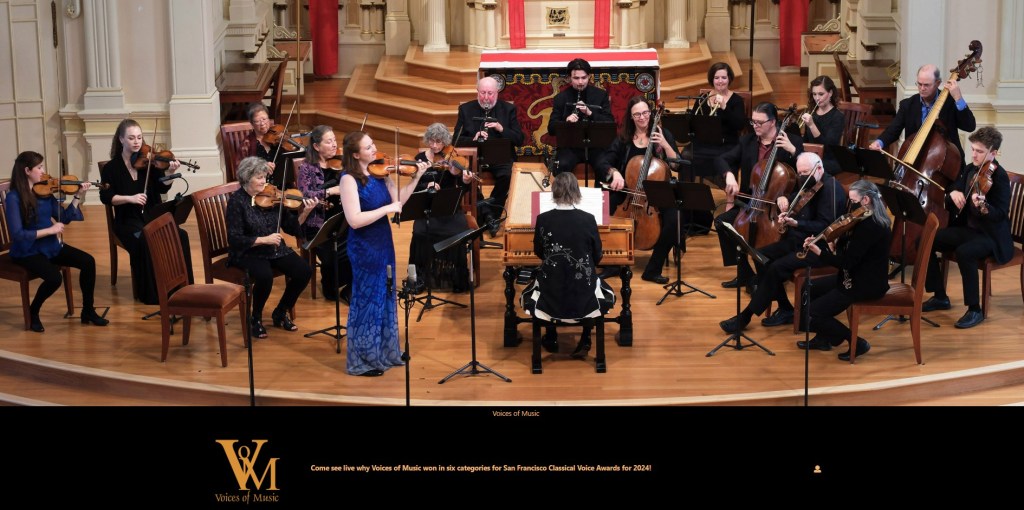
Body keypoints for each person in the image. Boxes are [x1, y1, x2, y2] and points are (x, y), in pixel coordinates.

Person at [719, 152, 846, 333]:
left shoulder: (831, 189)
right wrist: (784, 198)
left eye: (805, 172)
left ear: (819, 168)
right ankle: (785, 307)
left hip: (818, 247)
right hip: (798, 240)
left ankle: (746, 316)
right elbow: (798, 198)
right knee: (759, 255)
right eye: (799, 173)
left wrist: (797, 223)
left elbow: (825, 226)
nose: (801, 177)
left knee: (775, 267)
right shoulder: (810, 182)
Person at [338, 131, 430, 376]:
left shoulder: (381, 172)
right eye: (368, 147)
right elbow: (354, 220)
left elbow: (399, 201)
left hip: (383, 242)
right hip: (364, 247)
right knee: (367, 300)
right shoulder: (348, 180)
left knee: (385, 295)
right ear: (355, 154)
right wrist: (387, 208)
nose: (374, 149)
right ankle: (362, 360)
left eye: (373, 145)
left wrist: (416, 178)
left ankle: (384, 352)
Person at [6, 151, 109, 332]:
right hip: (27, 251)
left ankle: (88, 311)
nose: (43, 171)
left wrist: (78, 196)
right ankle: (33, 311)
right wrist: (50, 230)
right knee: (54, 278)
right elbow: (18, 234)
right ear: (27, 171)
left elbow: (65, 218)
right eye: (39, 167)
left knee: (88, 262)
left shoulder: (45, 192)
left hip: (50, 246)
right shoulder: (14, 198)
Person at [922, 127, 1012, 329]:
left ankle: (974, 310)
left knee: (965, 253)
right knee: (926, 239)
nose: (974, 155)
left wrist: (985, 207)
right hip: (969, 230)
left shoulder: (999, 177)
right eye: (973, 149)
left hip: (991, 236)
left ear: (993, 153)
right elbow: (956, 187)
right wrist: (953, 193)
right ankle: (940, 296)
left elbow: (1001, 214)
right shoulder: (971, 168)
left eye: (979, 151)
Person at [100, 118, 194, 305]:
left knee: (181, 235)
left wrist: (169, 174)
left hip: (152, 216)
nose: (136, 142)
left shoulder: (149, 162)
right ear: (121, 139)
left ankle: (183, 287)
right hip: (127, 220)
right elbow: (106, 197)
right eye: (131, 138)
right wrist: (130, 198)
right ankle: (152, 294)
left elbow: (162, 188)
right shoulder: (112, 168)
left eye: (139, 137)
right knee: (144, 239)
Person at [797, 180, 892, 361]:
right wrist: (833, 245)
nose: (850, 206)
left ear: (865, 200)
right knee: (809, 287)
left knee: (814, 312)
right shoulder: (862, 219)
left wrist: (821, 253)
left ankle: (857, 342)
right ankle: (824, 338)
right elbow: (851, 252)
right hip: (854, 275)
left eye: (853, 201)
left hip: (865, 284)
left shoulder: (871, 226)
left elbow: (846, 262)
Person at [713, 102, 804, 293]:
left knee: (766, 236)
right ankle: (745, 273)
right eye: (752, 121)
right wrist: (729, 175)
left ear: (772, 122)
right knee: (722, 222)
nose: (754, 126)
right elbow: (721, 159)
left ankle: (769, 274)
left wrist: (793, 151)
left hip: (778, 208)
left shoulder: (792, 141)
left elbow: (806, 174)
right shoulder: (747, 141)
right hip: (751, 203)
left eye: (759, 122)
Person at [521, 173, 612, 359]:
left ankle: (551, 335)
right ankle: (586, 337)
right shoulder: (588, 219)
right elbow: (597, 257)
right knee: (591, 282)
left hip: (551, 290)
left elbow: (540, 252)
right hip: (583, 292)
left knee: (547, 276)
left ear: (554, 191)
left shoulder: (543, 219)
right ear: (576, 192)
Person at [594, 96, 683, 284]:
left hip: (658, 194)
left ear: (651, 113)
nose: (642, 117)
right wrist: (614, 173)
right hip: (629, 191)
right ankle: (612, 263)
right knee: (605, 206)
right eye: (637, 114)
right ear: (631, 117)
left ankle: (653, 268)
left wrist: (665, 145)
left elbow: (677, 166)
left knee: (674, 219)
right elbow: (603, 161)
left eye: (645, 113)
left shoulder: (663, 134)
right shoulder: (624, 138)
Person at [226, 157, 316, 339]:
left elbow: (290, 226)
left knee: (304, 271)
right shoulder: (237, 202)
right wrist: (263, 239)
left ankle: (280, 312)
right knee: (264, 276)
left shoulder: (271, 196)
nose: (264, 182)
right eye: (259, 177)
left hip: (273, 248)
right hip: (248, 251)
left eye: (264, 177)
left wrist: (305, 212)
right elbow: (235, 238)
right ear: (246, 178)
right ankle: (256, 318)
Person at [453, 76, 525, 237]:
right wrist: (473, 138)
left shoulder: (508, 109)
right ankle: (489, 216)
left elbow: (519, 140)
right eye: (482, 93)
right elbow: (455, 141)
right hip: (474, 157)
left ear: (497, 93)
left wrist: (501, 128)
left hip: (500, 157)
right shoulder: (465, 109)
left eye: (490, 93)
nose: (486, 97)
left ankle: (490, 215)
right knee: (467, 176)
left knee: (507, 175)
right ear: (477, 91)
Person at [869, 64, 976, 168]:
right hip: (916, 162)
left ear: (937, 83)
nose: (922, 88)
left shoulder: (951, 102)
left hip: (946, 165)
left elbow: (970, 126)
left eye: (926, 85)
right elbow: (893, 130)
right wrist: (880, 142)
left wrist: (958, 98)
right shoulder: (908, 105)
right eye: (919, 84)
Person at [410, 123, 475, 293]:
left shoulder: (452, 158)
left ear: (445, 141)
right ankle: (421, 277)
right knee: (419, 232)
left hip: (449, 208)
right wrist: (426, 185)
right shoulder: (420, 158)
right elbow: (414, 186)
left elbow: (462, 189)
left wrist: (465, 181)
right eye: (431, 141)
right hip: (427, 209)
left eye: (439, 142)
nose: (434, 145)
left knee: (457, 232)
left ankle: (455, 277)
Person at [295, 125, 353, 303]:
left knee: (359, 246)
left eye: (335, 140)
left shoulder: (342, 164)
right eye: (329, 142)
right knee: (331, 256)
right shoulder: (307, 168)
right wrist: (330, 191)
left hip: (342, 219)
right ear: (316, 146)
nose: (335, 144)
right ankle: (331, 285)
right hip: (318, 224)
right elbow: (305, 195)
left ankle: (350, 287)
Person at [547, 58, 614, 175]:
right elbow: (551, 128)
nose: (580, 82)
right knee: (562, 165)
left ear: (589, 77)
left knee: (604, 166)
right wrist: (565, 121)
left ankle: (602, 188)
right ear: (569, 78)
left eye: (584, 78)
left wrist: (590, 113)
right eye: (576, 78)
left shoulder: (601, 95)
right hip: (570, 147)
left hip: (595, 147)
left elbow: (609, 123)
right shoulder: (561, 98)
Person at [686, 62, 747, 181]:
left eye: (724, 77)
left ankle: (726, 188)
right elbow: (693, 122)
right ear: (712, 79)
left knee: (724, 158)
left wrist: (724, 107)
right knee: (685, 156)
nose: (720, 81)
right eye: (716, 78)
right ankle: (690, 190)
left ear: (729, 79)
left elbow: (739, 125)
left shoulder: (737, 101)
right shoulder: (703, 98)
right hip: (704, 143)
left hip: (726, 144)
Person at [243, 102, 299, 185]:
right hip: (261, 186)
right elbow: (242, 169)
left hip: (284, 183)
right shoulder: (247, 143)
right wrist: (259, 167)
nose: (262, 124)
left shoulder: (278, 135)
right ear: (251, 123)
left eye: (264, 119)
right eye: (257, 121)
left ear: (269, 118)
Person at [800, 75, 845, 176]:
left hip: (829, 159)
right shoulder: (811, 112)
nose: (817, 98)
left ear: (830, 93)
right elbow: (805, 141)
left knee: (807, 168)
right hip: (811, 156)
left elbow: (827, 148)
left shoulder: (838, 117)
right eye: (814, 94)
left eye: (821, 94)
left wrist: (812, 125)